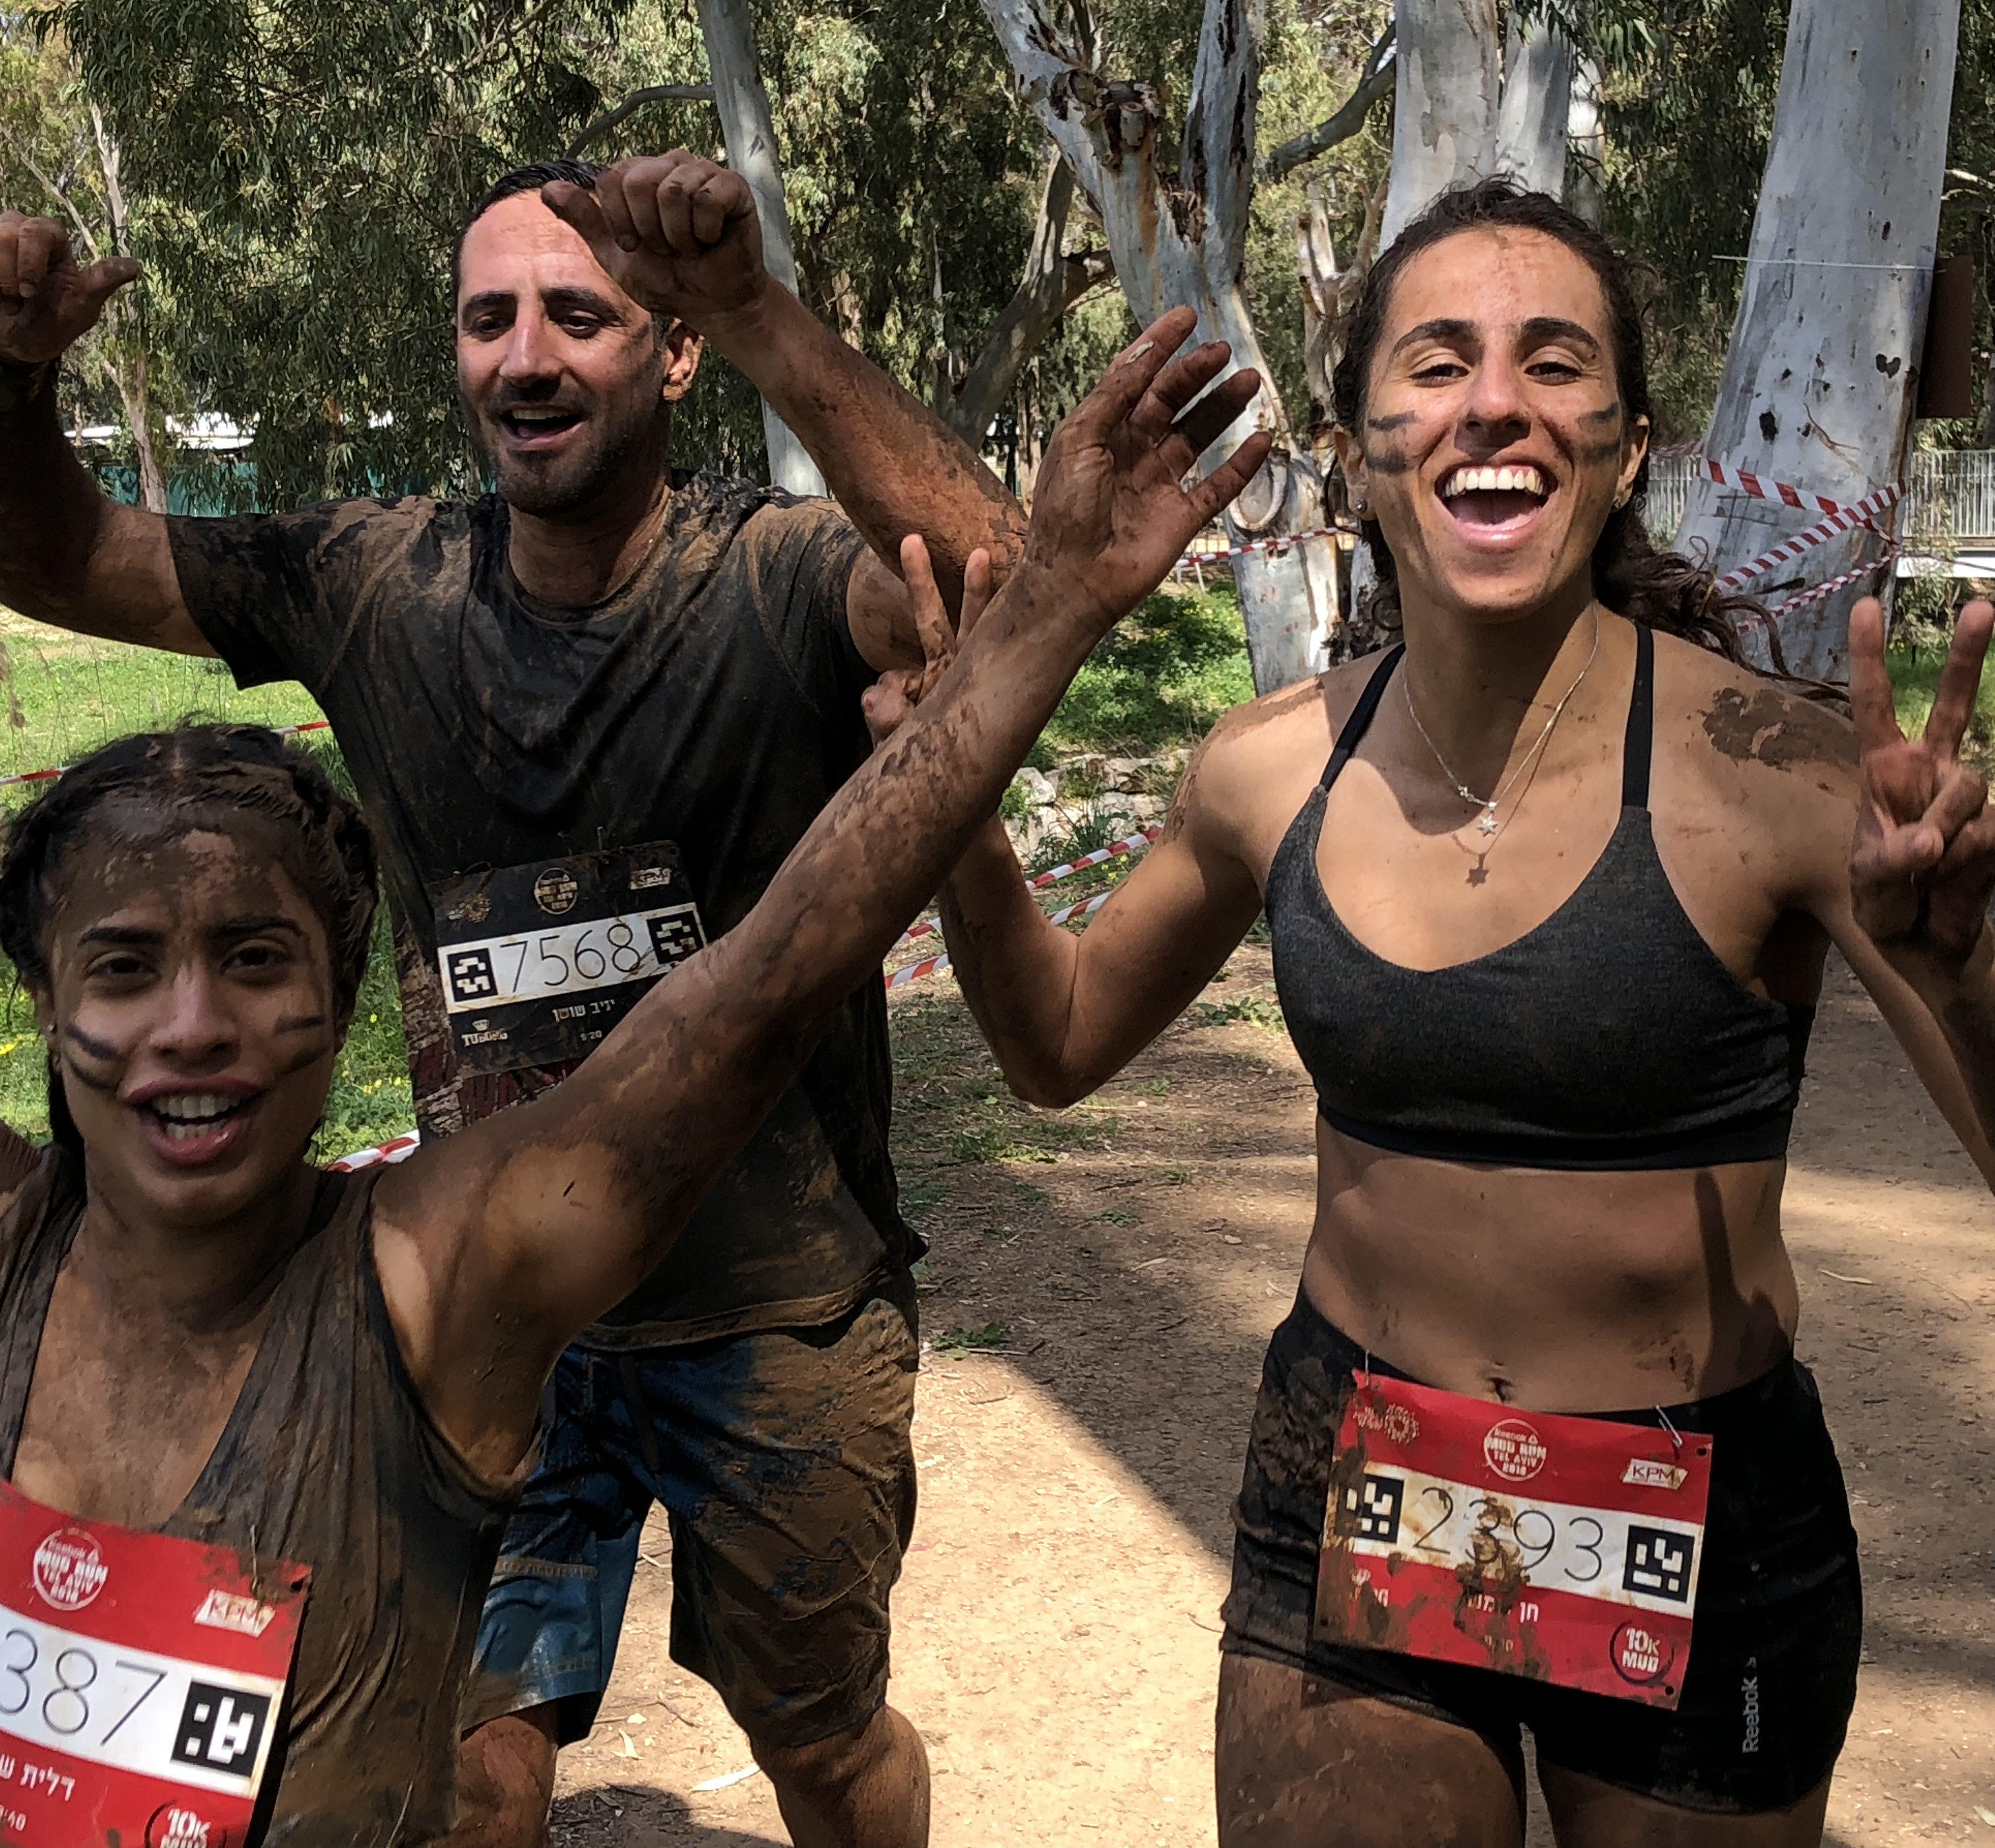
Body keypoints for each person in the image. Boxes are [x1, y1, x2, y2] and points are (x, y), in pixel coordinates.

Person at [0, 309, 1272, 1845]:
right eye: (487, 317)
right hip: (507, 1340)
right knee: (474, 1771)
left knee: (821, 1746)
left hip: (770, 1317)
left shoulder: (770, 570)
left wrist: (775, 320)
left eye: (582, 312)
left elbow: (778, 959)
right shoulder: (373, 585)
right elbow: (59, 552)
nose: (192, 1022)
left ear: (675, 354)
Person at [916, 181, 1995, 1844]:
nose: (1495, 401)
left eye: (1554, 362)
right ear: (1357, 454)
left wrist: (1960, 968)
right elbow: (1053, 1044)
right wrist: (956, 812)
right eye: (1436, 363)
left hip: (1702, 1518)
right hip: (1365, 1476)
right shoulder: (1266, 770)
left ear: (1627, 450)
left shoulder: (1781, 773)